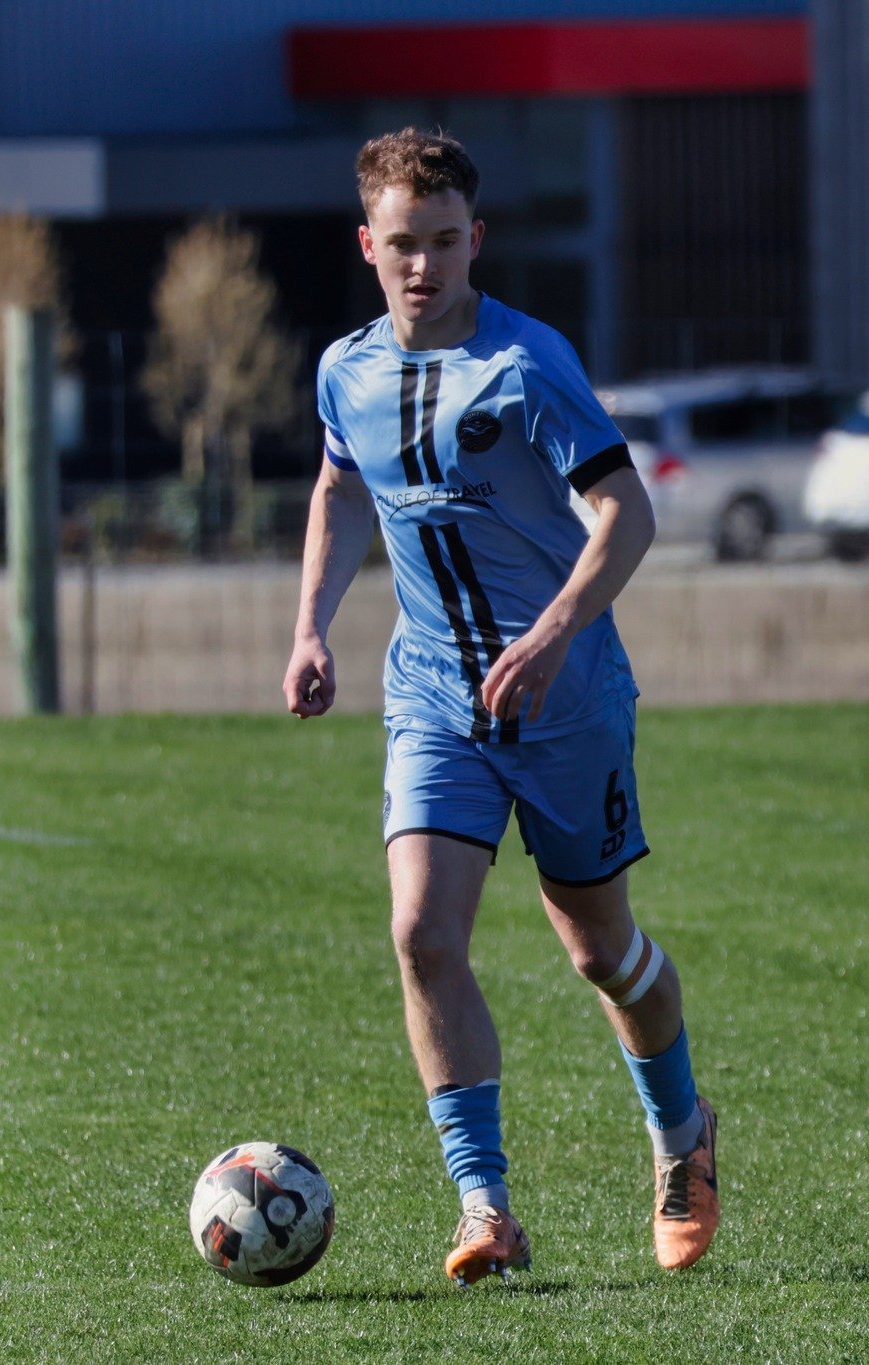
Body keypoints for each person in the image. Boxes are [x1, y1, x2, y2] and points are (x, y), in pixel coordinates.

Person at [281, 129, 717, 1286]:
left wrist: (553, 631)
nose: (421, 266)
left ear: (475, 240)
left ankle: (680, 1138)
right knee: (422, 935)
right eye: (400, 245)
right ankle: (486, 1210)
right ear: (365, 246)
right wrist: (311, 624)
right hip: (432, 697)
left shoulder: (528, 365)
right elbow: (338, 489)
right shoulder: (345, 370)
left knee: (600, 951)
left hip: (566, 700)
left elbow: (625, 511)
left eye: (442, 242)